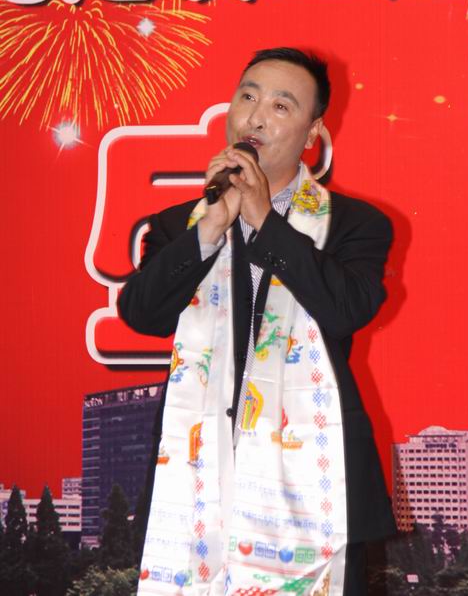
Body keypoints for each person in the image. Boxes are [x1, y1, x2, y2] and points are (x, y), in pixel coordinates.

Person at [118, 47, 397, 596]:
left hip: (314, 485)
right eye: (248, 96)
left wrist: (264, 220)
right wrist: (208, 229)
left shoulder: (355, 224)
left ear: (313, 132)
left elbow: (347, 309)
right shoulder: (179, 224)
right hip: (200, 478)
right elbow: (142, 314)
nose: (257, 116)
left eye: (280, 105)